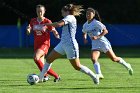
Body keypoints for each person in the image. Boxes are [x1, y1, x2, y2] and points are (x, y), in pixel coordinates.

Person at [39, 4, 99, 84]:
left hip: (70, 45)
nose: (62, 14)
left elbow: (58, 24)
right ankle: (40, 78)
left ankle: (94, 76)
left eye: (62, 12)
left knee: (77, 66)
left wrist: (46, 25)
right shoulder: (67, 17)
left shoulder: (70, 17)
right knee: (49, 59)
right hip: (63, 44)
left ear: (67, 11)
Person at [82, 7, 133, 79]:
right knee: (93, 59)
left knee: (114, 59)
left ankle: (127, 65)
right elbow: (84, 32)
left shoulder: (96, 23)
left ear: (93, 15)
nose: (88, 15)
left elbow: (106, 31)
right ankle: (99, 74)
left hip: (103, 43)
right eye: (87, 13)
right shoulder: (85, 25)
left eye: (89, 14)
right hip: (95, 44)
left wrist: (97, 36)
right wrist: (85, 38)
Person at [26, 4, 60, 82]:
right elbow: (29, 31)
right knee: (40, 63)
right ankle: (47, 76)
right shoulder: (33, 21)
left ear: (44, 11)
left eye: (41, 11)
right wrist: (28, 30)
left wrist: (57, 35)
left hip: (45, 44)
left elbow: (54, 30)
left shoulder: (47, 21)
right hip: (36, 44)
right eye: (38, 11)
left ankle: (55, 76)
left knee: (36, 58)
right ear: (36, 12)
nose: (39, 13)